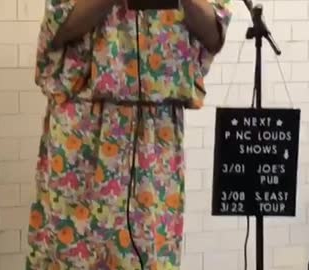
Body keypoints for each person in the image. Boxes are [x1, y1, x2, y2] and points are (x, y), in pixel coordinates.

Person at [26, 0, 232, 269]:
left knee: (149, 251)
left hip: (155, 135)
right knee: (71, 251)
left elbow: (214, 34)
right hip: (83, 130)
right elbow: (58, 27)